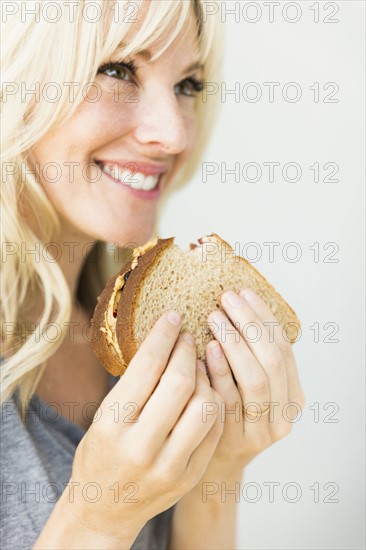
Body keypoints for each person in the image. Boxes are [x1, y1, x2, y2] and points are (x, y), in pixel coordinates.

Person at [1, 1, 305, 548]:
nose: (174, 135)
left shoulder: (135, 341)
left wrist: (215, 474)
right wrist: (98, 520)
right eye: (117, 70)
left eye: (187, 84)